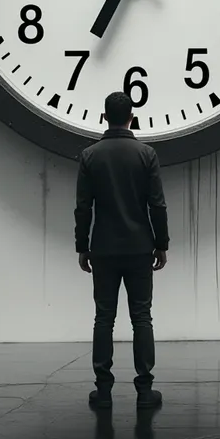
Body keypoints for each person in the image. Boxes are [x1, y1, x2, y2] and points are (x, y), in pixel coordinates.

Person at [74, 91, 169, 410]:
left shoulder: (90, 155)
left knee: (104, 317)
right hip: (140, 246)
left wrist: (82, 246)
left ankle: (103, 390)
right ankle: (144, 390)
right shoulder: (146, 154)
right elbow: (157, 204)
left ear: (105, 117)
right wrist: (162, 243)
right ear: (132, 117)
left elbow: (83, 207)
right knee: (142, 316)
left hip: (103, 247)